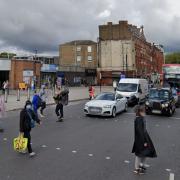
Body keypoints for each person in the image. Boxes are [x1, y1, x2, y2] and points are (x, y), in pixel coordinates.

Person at [132, 105, 157, 175]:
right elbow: (140, 131)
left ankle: (141, 166)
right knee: (140, 154)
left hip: (142, 138)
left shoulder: (140, 118)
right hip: (141, 139)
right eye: (144, 111)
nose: (145, 112)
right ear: (140, 112)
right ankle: (137, 169)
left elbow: (143, 130)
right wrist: (144, 141)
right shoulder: (139, 119)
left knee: (144, 153)